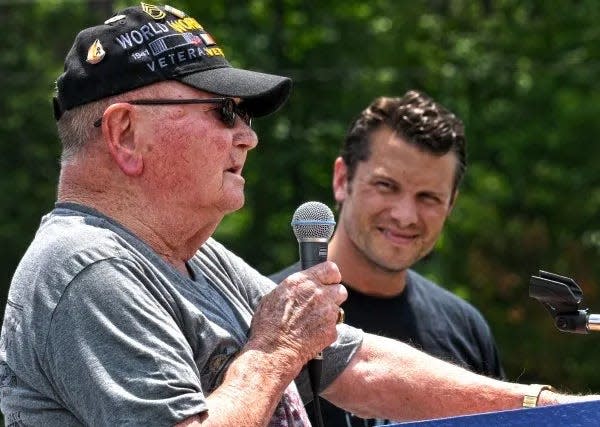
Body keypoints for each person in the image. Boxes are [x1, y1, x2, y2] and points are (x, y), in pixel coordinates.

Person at [0, 4, 597, 427]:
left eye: (245, 117)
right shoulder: (88, 268)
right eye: (222, 112)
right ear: (125, 133)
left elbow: (355, 362)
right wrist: (274, 350)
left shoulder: (191, 255)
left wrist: (555, 410)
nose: (246, 138)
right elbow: (290, 350)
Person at [270, 91, 504, 426]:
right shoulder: (270, 314)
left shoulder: (466, 329)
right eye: (386, 185)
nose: (405, 215)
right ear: (341, 180)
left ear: (451, 204)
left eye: (428, 197)